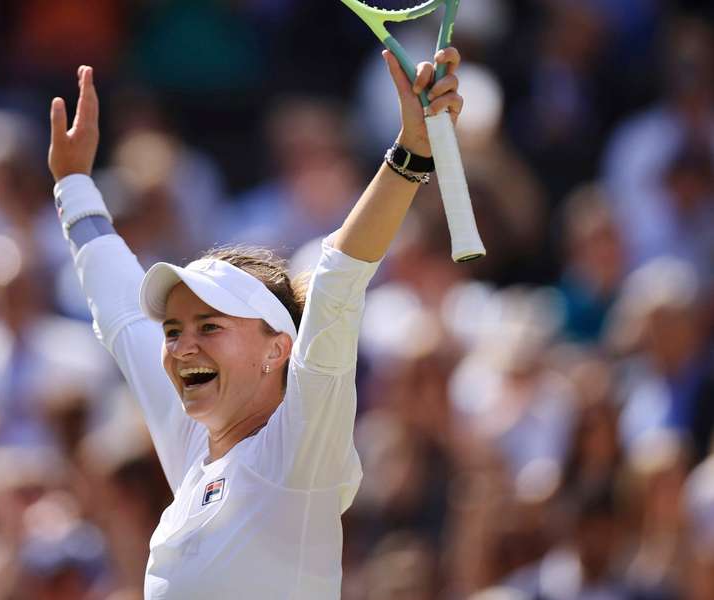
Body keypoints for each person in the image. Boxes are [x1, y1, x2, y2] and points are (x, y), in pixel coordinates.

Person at [47, 46, 464, 598]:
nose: (181, 347)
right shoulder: (195, 450)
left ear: (278, 348)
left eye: (209, 326)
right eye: (173, 331)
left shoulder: (296, 451)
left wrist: (411, 153)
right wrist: (74, 183)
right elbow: (121, 309)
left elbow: (337, 280)